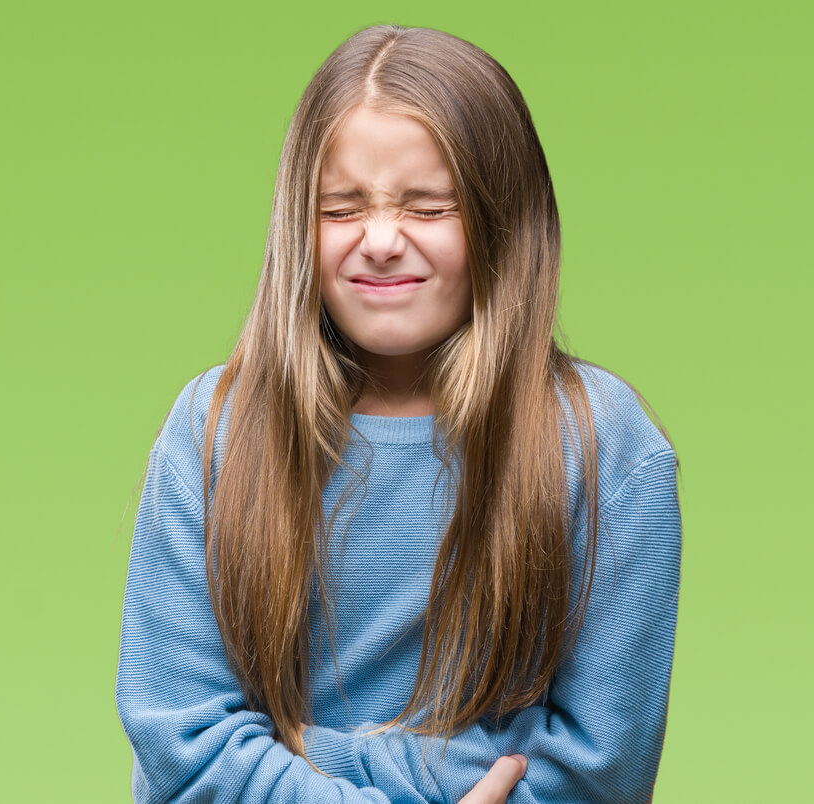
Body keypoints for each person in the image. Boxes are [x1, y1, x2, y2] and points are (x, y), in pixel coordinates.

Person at [115, 23, 681, 804]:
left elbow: (601, 771)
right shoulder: (212, 430)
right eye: (341, 209)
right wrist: (451, 773)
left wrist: (303, 754)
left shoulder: (606, 447)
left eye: (429, 206)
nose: (380, 241)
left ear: (502, 222)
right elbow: (184, 749)